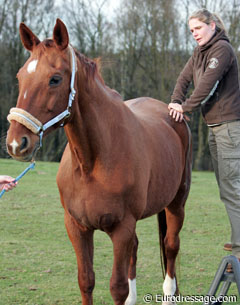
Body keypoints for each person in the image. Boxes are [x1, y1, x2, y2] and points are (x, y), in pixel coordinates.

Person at [168, 9, 240, 266]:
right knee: (227, 188)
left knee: (232, 189)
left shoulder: (221, 50)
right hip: (215, 127)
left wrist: (184, 108)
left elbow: (205, 87)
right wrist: (175, 100)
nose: (194, 34)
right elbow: (184, 78)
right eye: (191, 31)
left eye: (197, 28)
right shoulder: (199, 52)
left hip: (229, 128)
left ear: (211, 25)